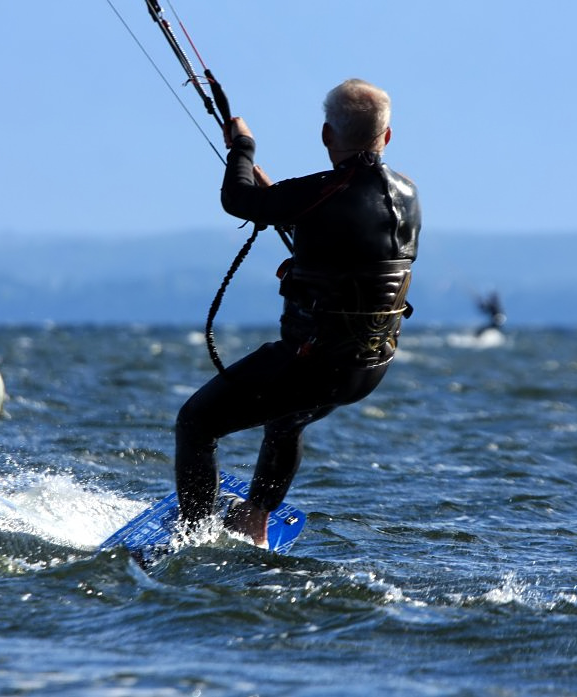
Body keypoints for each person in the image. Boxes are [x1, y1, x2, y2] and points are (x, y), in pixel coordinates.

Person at [174, 78, 421, 547]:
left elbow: (239, 201)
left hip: (312, 363)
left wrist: (243, 148)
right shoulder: (409, 194)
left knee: (196, 423)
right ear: (386, 136)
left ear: (327, 135)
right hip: (368, 368)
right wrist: (287, 206)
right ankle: (255, 520)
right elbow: (348, 233)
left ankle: (194, 539)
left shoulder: (321, 192)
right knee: (286, 419)